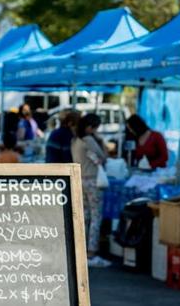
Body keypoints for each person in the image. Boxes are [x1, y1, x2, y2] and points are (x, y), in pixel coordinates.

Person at [71, 113, 111, 268]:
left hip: (79, 179)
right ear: (90, 127)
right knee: (96, 216)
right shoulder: (89, 140)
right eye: (95, 127)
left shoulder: (75, 140)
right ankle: (92, 250)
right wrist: (100, 141)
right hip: (92, 180)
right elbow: (103, 156)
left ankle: (81, 248)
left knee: (85, 216)